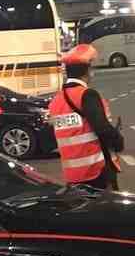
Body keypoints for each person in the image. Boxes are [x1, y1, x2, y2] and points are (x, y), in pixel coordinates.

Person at [49, 44, 124, 190]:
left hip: (73, 174)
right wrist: (118, 141)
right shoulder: (86, 95)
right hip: (96, 170)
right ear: (88, 70)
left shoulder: (55, 101)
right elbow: (102, 128)